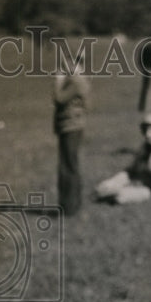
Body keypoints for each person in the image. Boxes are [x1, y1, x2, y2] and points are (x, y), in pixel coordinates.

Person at [93, 113, 151, 205]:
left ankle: (114, 195)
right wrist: (115, 181)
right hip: (136, 181)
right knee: (103, 188)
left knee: (120, 196)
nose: (148, 134)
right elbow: (131, 170)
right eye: (146, 130)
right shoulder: (145, 146)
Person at [53, 49, 90, 215]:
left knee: (69, 165)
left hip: (71, 127)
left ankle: (70, 206)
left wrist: (58, 81)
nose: (64, 67)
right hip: (69, 126)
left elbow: (59, 98)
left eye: (68, 63)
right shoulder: (76, 79)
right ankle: (69, 204)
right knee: (68, 164)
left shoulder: (76, 81)